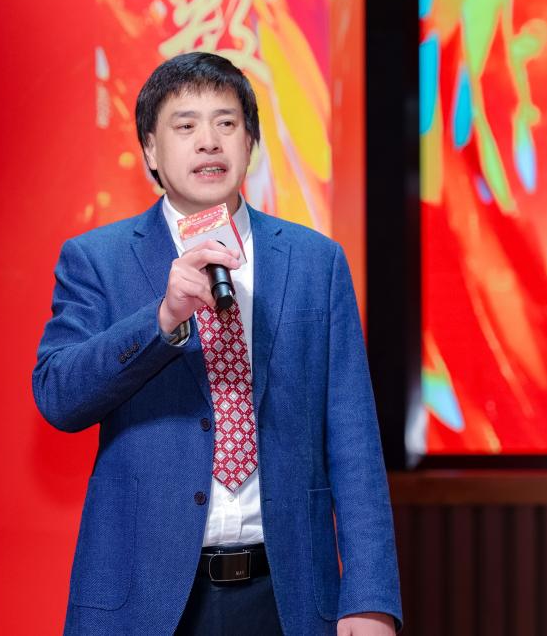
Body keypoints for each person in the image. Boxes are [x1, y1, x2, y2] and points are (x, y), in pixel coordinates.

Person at [33, 51, 401, 635]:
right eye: (185, 125)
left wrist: (370, 596)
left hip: (285, 598)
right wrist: (162, 320)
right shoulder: (97, 260)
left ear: (249, 142)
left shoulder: (315, 262)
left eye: (226, 123)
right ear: (151, 151)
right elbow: (59, 396)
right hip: (144, 603)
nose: (209, 141)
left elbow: (353, 441)